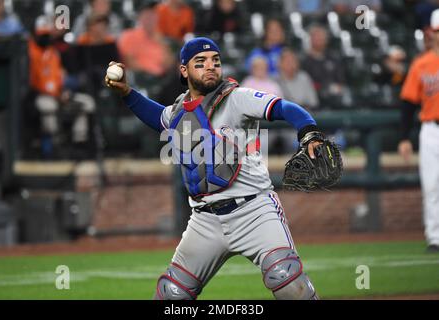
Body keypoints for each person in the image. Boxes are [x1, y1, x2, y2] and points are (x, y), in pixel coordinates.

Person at [106, 37, 324, 299]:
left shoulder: (237, 98)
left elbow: (284, 108)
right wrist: (127, 93)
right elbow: (158, 118)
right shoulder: (179, 110)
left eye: (215, 61)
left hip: (254, 211)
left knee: (287, 279)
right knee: (172, 294)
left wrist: (308, 131)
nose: (210, 67)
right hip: (205, 219)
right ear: (184, 70)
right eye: (201, 62)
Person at [398, 8, 439, 253]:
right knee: (432, 185)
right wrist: (404, 137)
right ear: (430, 32)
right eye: (436, 30)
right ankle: (435, 237)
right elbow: (408, 103)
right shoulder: (421, 64)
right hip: (431, 129)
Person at [29, 16, 95, 158]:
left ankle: (79, 144)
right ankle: (53, 147)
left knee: (87, 103)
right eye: (42, 35)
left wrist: (65, 91)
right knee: (48, 107)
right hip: (42, 96)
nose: (45, 38)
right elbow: (35, 83)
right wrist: (56, 94)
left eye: (47, 35)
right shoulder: (30, 53)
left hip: (59, 94)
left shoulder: (53, 53)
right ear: (35, 35)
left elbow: (60, 78)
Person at [117, 1, 172, 77]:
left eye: (153, 14)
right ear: (140, 17)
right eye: (147, 14)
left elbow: (169, 65)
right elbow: (129, 61)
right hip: (139, 79)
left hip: (161, 80)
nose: (151, 18)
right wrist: (150, 72)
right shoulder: (129, 36)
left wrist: (162, 44)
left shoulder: (160, 37)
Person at [302, 24, 345, 105]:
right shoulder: (304, 60)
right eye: (316, 37)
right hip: (312, 96)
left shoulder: (334, 58)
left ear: (326, 40)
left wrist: (333, 88)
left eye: (321, 37)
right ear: (310, 39)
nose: (319, 39)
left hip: (333, 96)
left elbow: (340, 81)